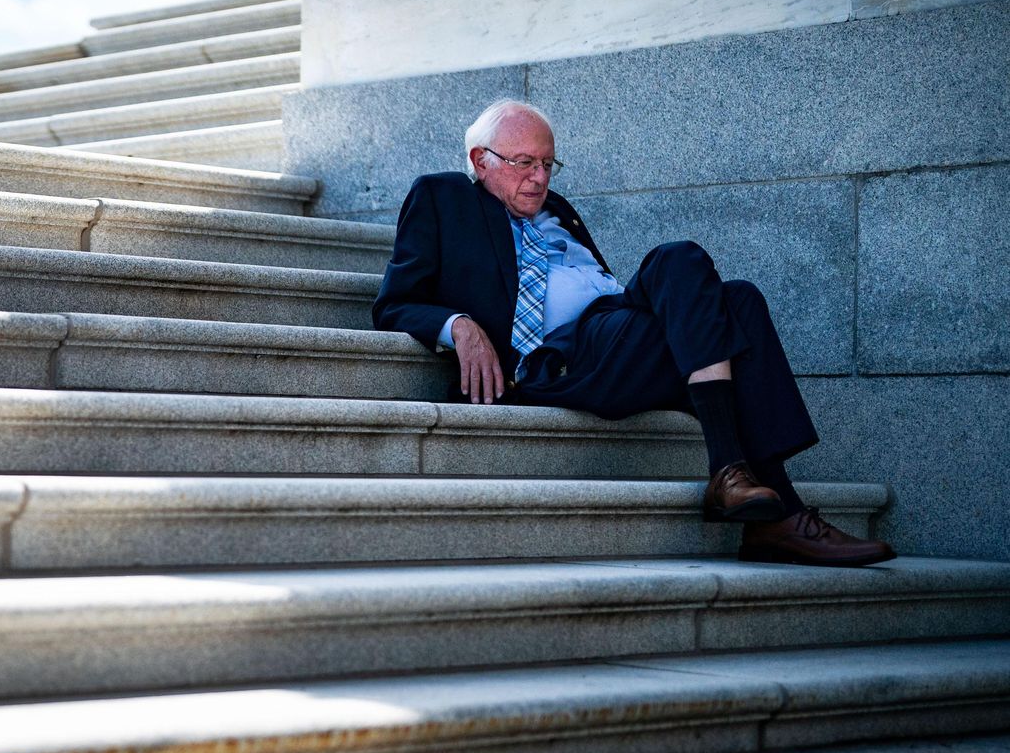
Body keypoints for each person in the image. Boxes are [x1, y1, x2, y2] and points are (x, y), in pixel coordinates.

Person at [373, 98, 893, 567]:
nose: (539, 178)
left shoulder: (560, 212)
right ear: (480, 160)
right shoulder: (443, 197)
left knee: (740, 299)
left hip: (614, 329)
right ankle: (749, 484)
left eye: (547, 164)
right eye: (523, 163)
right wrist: (459, 325)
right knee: (684, 263)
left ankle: (767, 513)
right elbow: (395, 303)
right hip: (559, 359)